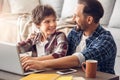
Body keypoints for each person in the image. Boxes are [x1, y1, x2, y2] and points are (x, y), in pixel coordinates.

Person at [22, 0, 117, 74]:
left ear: (89, 19)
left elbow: (78, 59)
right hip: (73, 76)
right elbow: (60, 53)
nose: (72, 19)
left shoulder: (105, 40)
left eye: (76, 16)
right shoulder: (75, 32)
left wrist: (41, 64)